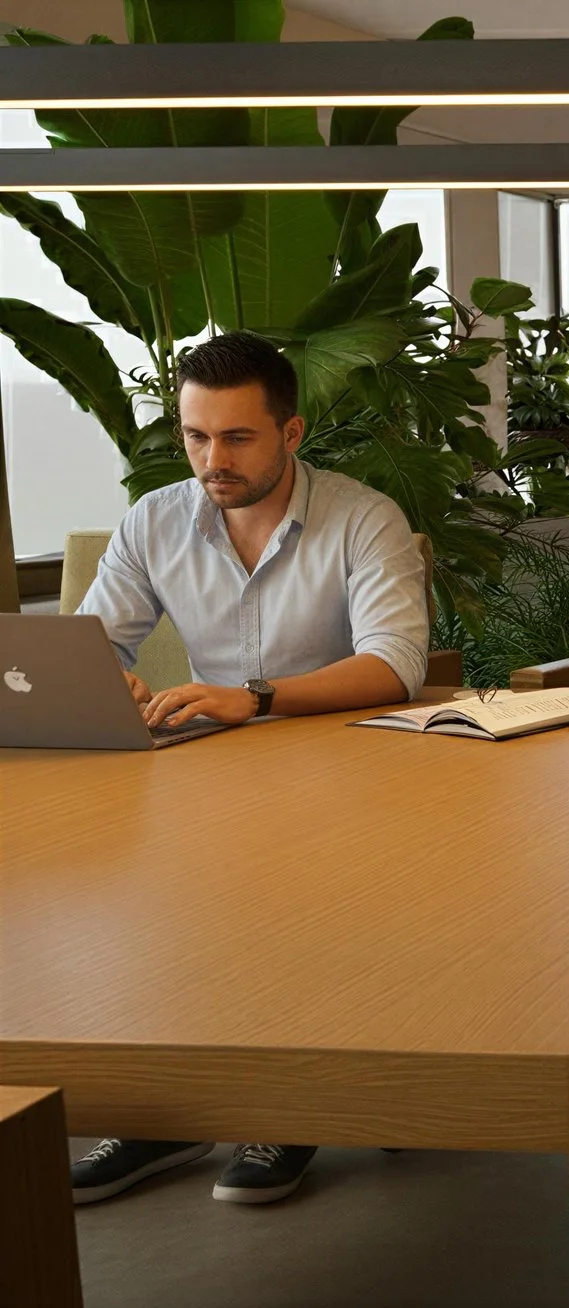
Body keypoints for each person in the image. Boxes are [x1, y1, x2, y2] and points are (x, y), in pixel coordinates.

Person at [67, 332, 431, 1207]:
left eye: (236, 439)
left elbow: (396, 663)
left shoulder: (362, 516)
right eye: (196, 437)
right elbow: (86, 644)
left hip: (350, 772)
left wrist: (256, 697)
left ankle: (285, 1105)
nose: (212, 460)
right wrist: (101, 676)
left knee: (284, 891)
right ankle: (168, 1110)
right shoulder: (155, 518)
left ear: (291, 432)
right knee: (138, 888)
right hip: (204, 770)